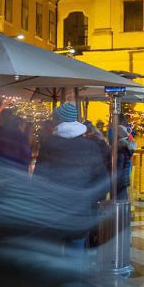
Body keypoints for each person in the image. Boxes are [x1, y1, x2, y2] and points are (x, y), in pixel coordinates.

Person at [34, 103, 110, 245]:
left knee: (52, 255)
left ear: (58, 121)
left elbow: (38, 179)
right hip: (80, 210)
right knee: (76, 252)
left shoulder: (48, 144)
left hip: (53, 210)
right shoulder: (90, 146)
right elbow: (102, 181)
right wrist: (91, 203)